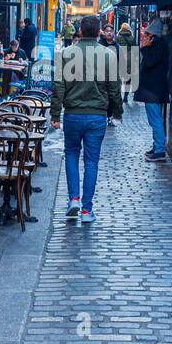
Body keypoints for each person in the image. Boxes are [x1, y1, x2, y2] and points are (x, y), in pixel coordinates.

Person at [50, 14, 123, 225]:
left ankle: (73, 198)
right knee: (91, 161)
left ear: (80, 31)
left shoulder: (66, 53)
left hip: (72, 114)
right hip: (97, 116)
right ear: (99, 32)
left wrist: (55, 115)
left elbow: (59, 87)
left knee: (71, 155)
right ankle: (86, 210)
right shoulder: (108, 55)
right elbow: (114, 89)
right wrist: (117, 112)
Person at [135, 20, 169, 162]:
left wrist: (145, 48)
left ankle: (160, 149)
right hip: (153, 90)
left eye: (147, 34)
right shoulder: (159, 45)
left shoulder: (158, 46)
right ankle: (157, 146)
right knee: (155, 119)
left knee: (155, 120)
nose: (144, 37)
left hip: (153, 91)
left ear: (153, 36)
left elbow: (150, 62)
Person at [116, 22, 136, 103]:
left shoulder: (117, 37)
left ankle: (117, 95)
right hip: (129, 59)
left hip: (119, 58)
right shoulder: (131, 37)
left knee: (118, 78)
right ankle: (126, 96)